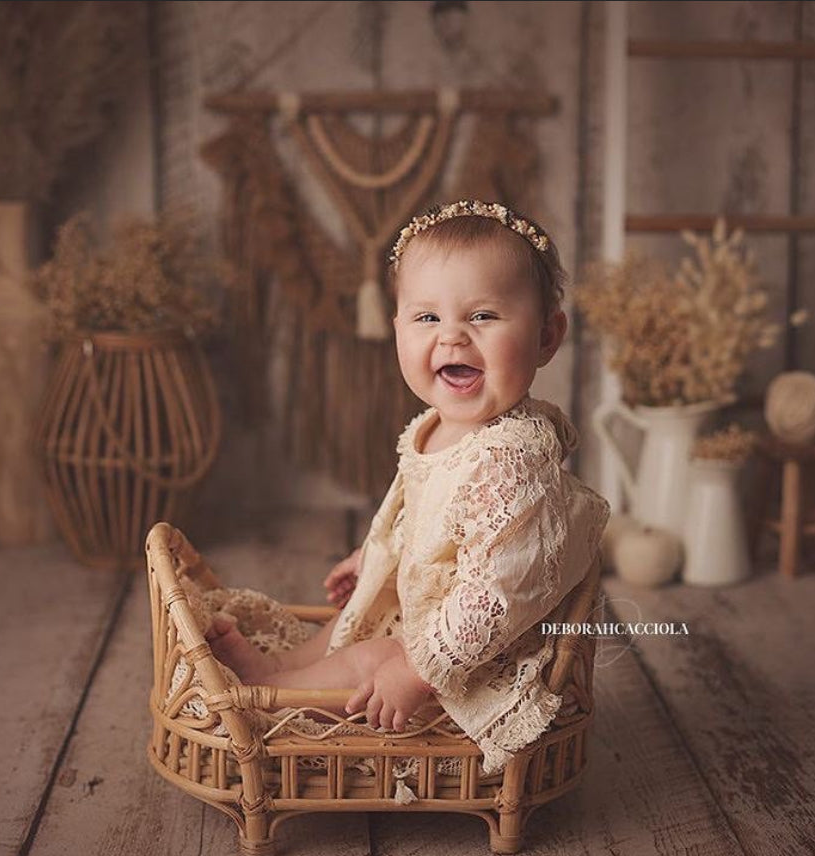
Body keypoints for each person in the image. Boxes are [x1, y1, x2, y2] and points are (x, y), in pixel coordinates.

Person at [206, 199, 610, 775]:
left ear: (547, 336)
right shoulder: (432, 426)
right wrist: (374, 554)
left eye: (484, 317)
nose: (452, 339)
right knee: (347, 626)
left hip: (481, 649)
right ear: (396, 327)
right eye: (426, 319)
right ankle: (283, 673)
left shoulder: (510, 459)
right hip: (434, 608)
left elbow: (497, 595)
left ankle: (276, 699)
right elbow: (419, 513)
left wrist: (419, 670)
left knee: (375, 655)